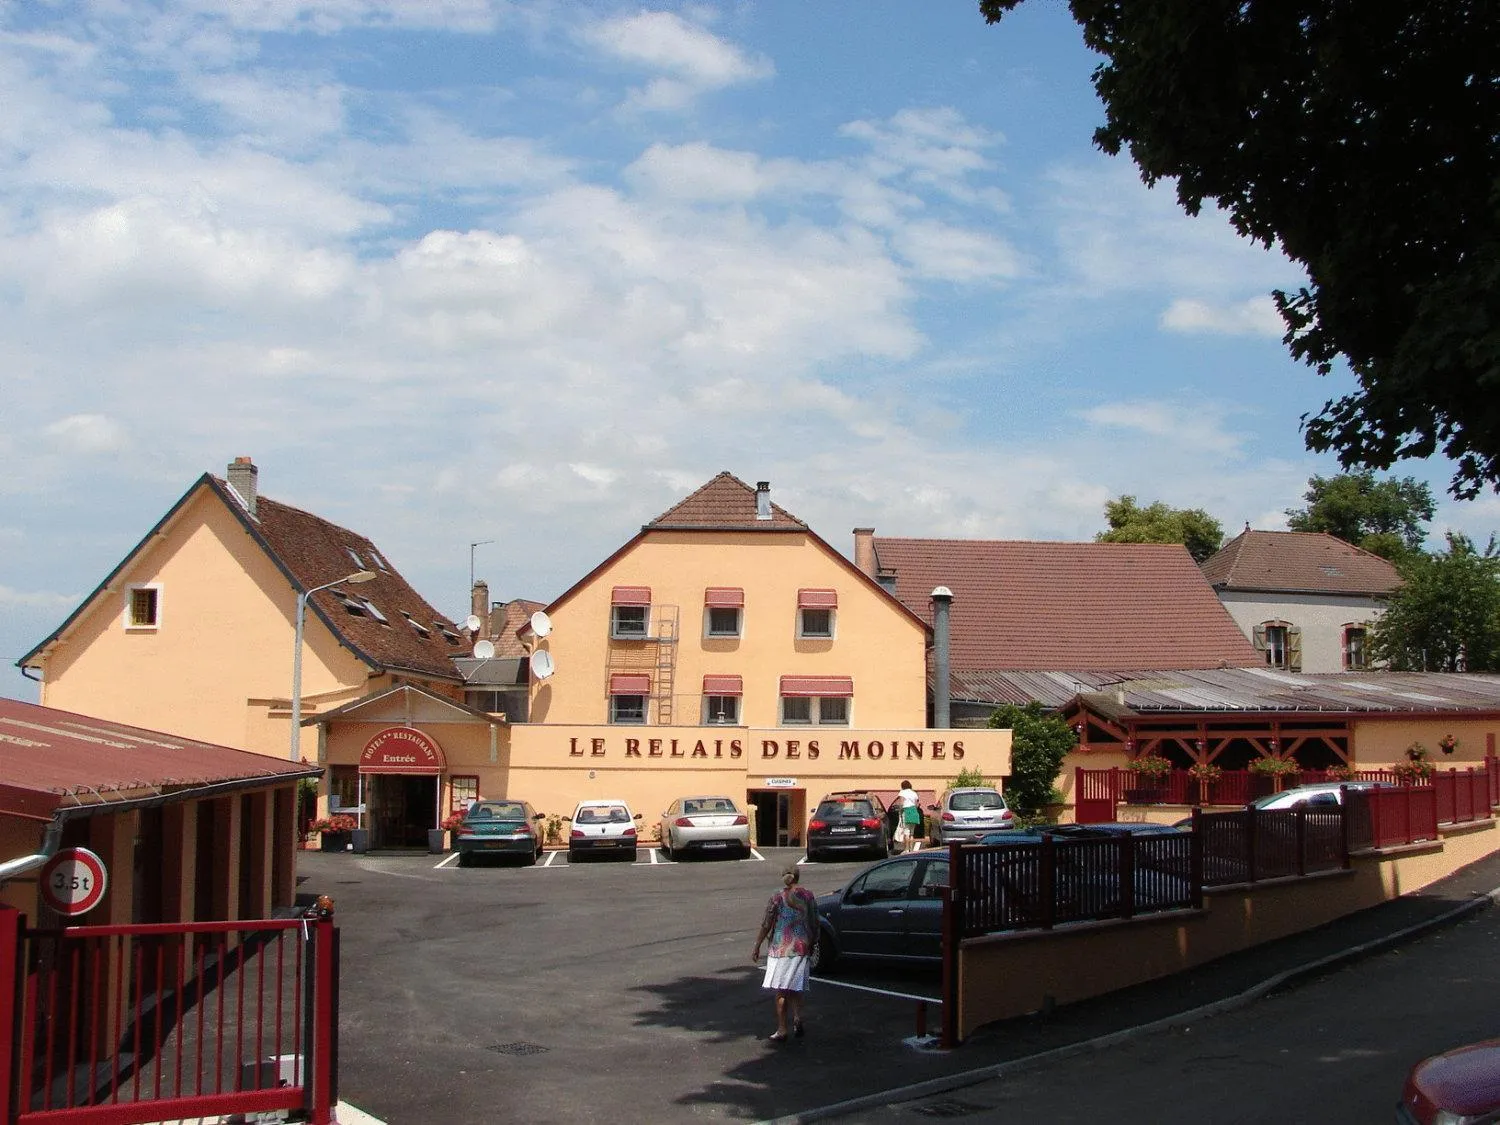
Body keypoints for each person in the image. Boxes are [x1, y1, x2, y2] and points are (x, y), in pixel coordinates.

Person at [751, 865, 818, 1042]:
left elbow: (767, 923)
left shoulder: (777, 897)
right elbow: (814, 921)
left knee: (781, 991)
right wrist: (813, 943)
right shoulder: (808, 896)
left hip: (780, 948)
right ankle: (797, 1017)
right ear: (797, 876)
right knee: (795, 987)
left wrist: (757, 945)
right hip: (801, 947)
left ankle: (782, 1028)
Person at [896, 780, 922, 853]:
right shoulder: (914, 793)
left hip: (906, 811)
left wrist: (900, 811)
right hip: (914, 811)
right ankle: (911, 849)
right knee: (911, 833)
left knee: (906, 831)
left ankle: (906, 849)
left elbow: (901, 803)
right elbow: (917, 804)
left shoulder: (902, 792)